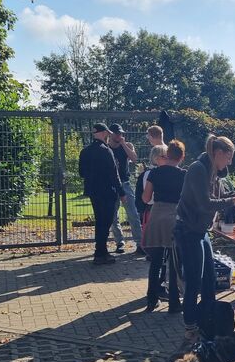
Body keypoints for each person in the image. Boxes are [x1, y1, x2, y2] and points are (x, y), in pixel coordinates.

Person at [174, 135, 235, 344]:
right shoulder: (198, 169)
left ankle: (208, 322)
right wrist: (233, 200)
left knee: (210, 280)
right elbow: (205, 204)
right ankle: (190, 327)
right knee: (194, 281)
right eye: (229, 157)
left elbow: (224, 193)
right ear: (218, 153)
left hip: (201, 231)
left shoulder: (214, 172)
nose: (230, 162)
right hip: (188, 231)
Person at [142, 141, 186, 313]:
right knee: (174, 262)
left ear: (167, 155)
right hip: (175, 217)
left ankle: (151, 300)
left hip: (157, 216)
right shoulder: (184, 174)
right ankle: (174, 302)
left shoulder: (154, 173)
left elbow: (146, 198)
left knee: (156, 261)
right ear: (182, 157)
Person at [79, 123, 126, 265]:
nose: (109, 135)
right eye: (107, 132)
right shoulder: (106, 151)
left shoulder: (85, 151)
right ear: (104, 133)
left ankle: (100, 251)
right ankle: (101, 253)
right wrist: (121, 192)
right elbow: (114, 174)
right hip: (107, 191)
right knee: (106, 222)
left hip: (93, 191)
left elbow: (81, 173)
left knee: (99, 221)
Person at [108, 123, 144, 255]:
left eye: (121, 133)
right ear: (111, 134)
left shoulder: (127, 145)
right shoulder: (106, 147)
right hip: (111, 185)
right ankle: (119, 242)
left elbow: (134, 159)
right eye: (117, 133)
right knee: (113, 216)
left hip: (125, 183)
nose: (120, 135)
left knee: (133, 214)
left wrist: (123, 144)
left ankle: (140, 243)